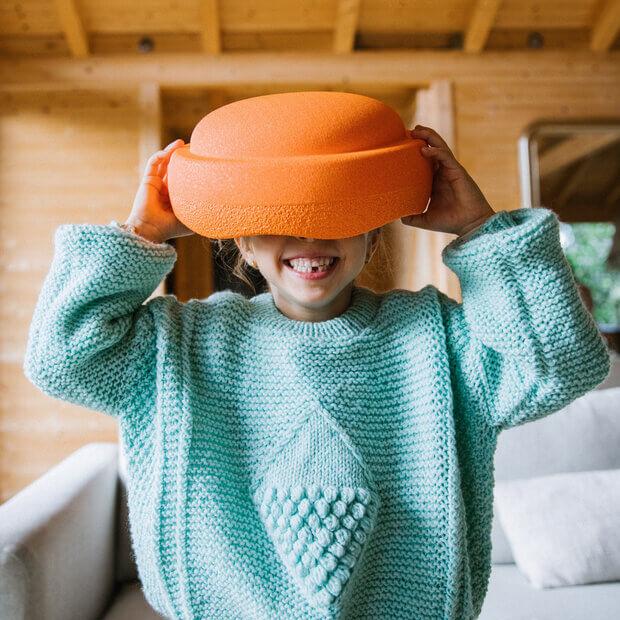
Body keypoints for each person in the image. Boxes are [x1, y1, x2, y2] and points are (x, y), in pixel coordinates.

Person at [22, 126, 611, 620]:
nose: (311, 234)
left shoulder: (438, 339)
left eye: (339, 213)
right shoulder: (180, 343)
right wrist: (143, 235)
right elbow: (62, 359)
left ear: (371, 234)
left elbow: (562, 364)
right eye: (281, 217)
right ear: (245, 246)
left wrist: (480, 229)